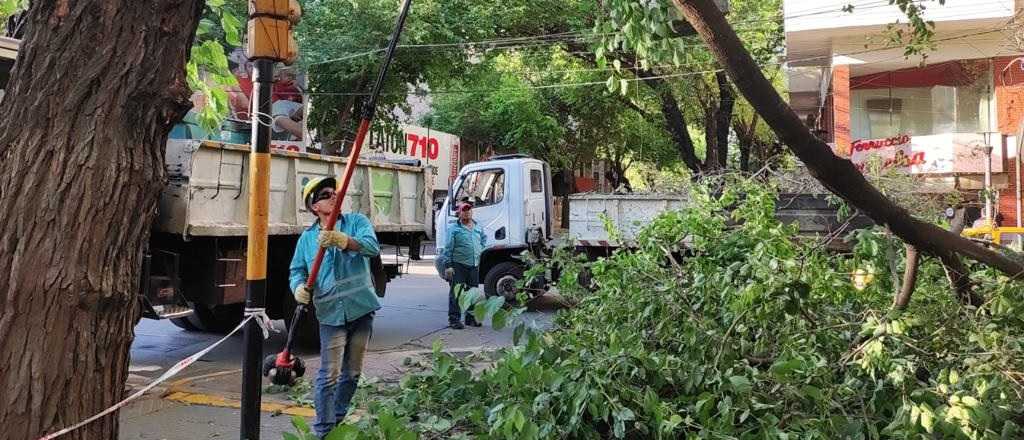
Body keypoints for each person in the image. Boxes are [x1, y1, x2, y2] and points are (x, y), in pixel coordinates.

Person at [289, 177, 381, 438]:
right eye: (326, 194)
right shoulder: (307, 240)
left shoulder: (356, 223)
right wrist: (298, 288)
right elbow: (296, 270)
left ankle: (337, 419)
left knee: (352, 374)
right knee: (328, 375)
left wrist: (344, 241)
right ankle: (323, 431)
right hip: (330, 316)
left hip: (361, 310)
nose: (334, 196)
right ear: (314, 207)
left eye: (335, 192)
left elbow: (372, 248)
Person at [442, 201, 487, 329]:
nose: (467, 212)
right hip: (458, 265)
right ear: (459, 213)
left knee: (472, 293)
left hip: (474, 264)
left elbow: (483, 240)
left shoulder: (478, 227)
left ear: (471, 212)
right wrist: (448, 266)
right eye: (464, 210)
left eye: (469, 210)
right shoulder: (454, 229)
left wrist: (479, 250)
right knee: (456, 293)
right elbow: (448, 248)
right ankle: (454, 319)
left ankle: (470, 318)